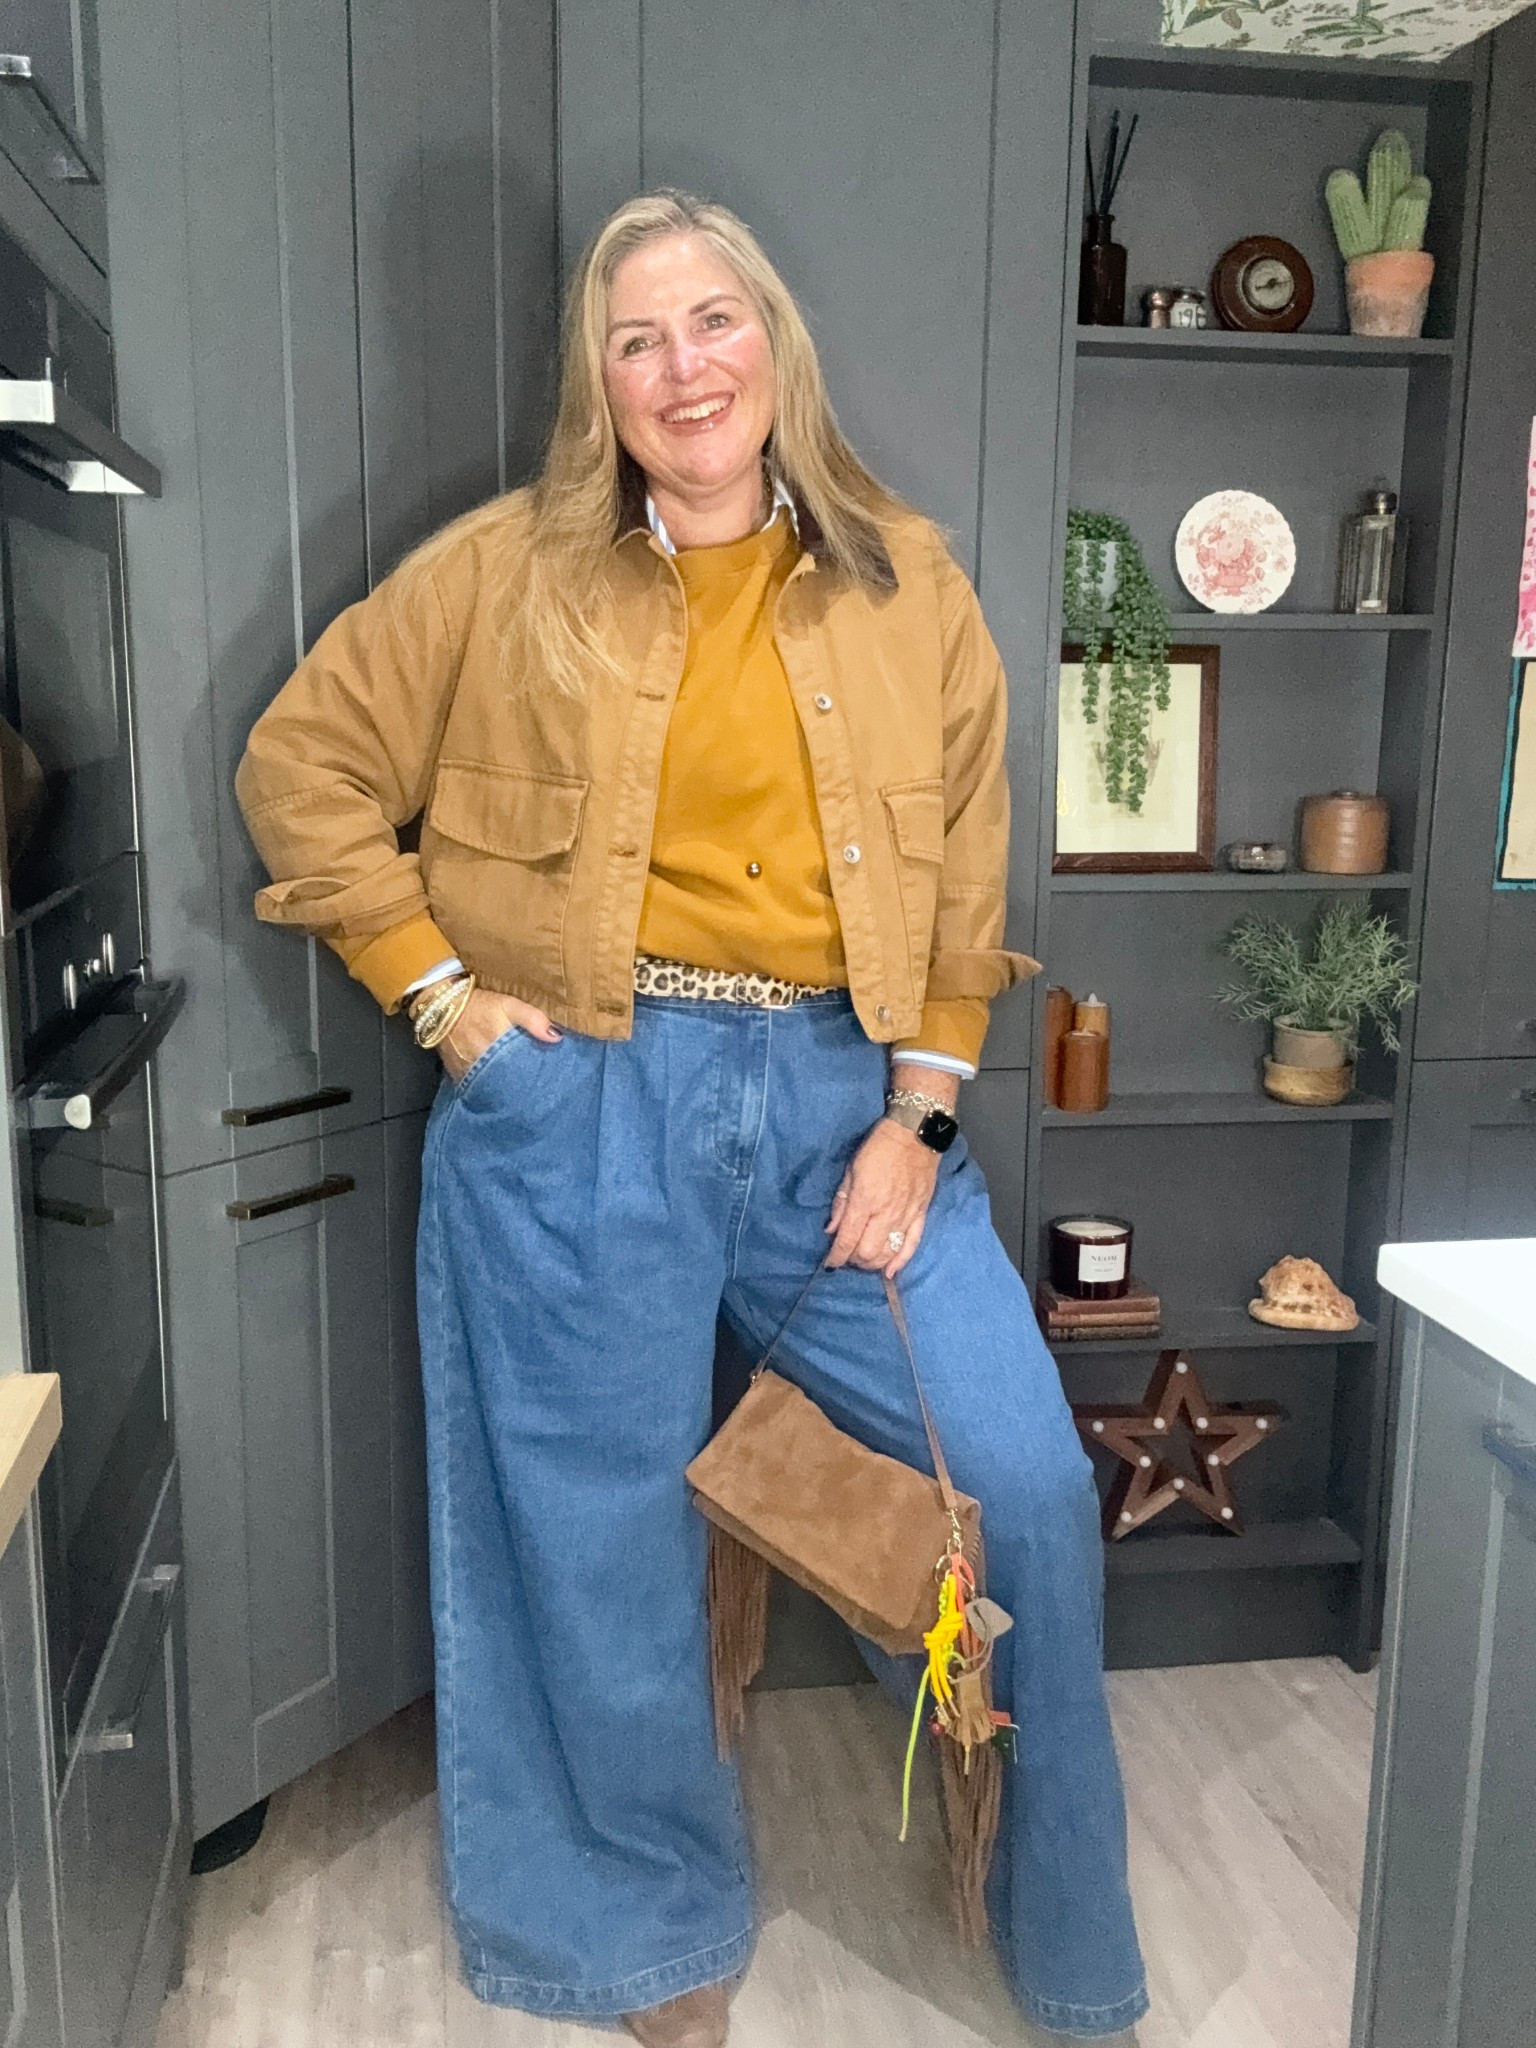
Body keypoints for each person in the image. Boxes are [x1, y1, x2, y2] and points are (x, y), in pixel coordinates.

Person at [236, 190, 1147, 2048]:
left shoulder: (910, 584)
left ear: (774, 345)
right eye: (637, 341)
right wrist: (445, 1006)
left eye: (713, 322)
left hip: (843, 1107)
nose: (684, 369)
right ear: (602, 384)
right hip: (583, 1097)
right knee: (595, 1536)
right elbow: (301, 768)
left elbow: (966, 883)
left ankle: (1066, 1951)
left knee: (1031, 1489)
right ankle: (644, 1942)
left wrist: (918, 1124)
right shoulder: (499, 574)